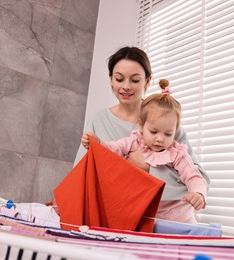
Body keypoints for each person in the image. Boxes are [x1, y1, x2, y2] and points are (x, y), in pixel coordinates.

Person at [74, 46, 210, 223]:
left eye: (135, 80)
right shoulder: (98, 119)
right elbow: (82, 173)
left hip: (166, 219)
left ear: (147, 81)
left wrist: (148, 167)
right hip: (120, 217)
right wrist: (128, 164)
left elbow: (198, 177)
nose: (126, 86)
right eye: (119, 79)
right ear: (111, 80)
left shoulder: (165, 119)